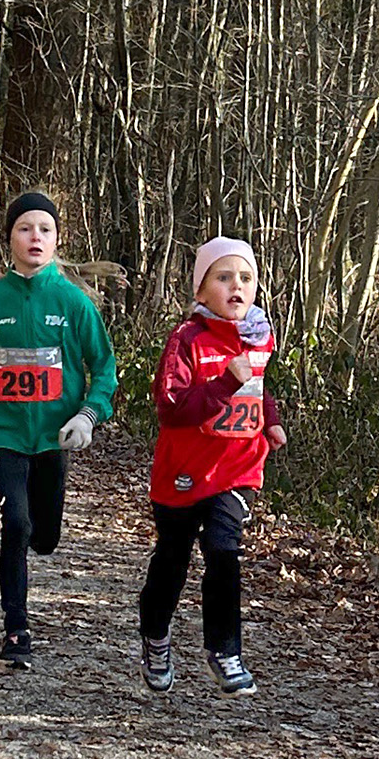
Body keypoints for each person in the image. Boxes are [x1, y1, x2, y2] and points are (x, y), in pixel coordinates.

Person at [0, 192, 117, 670]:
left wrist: (87, 415)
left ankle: (39, 536)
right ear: (9, 238)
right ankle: (16, 628)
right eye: (25, 228)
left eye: (45, 229)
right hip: (5, 433)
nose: (35, 236)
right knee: (15, 522)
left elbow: (104, 367)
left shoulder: (74, 303)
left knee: (44, 536)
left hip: (56, 436)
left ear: (56, 240)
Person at [136, 237, 287, 696]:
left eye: (246, 278)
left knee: (224, 551)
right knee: (173, 558)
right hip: (183, 472)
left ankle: (225, 650)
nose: (236, 286)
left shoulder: (258, 336)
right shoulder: (186, 340)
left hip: (238, 467)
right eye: (223, 277)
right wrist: (224, 383)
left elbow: (257, 386)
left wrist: (271, 420)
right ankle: (155, 635)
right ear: (201, 290)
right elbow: (172, 409)